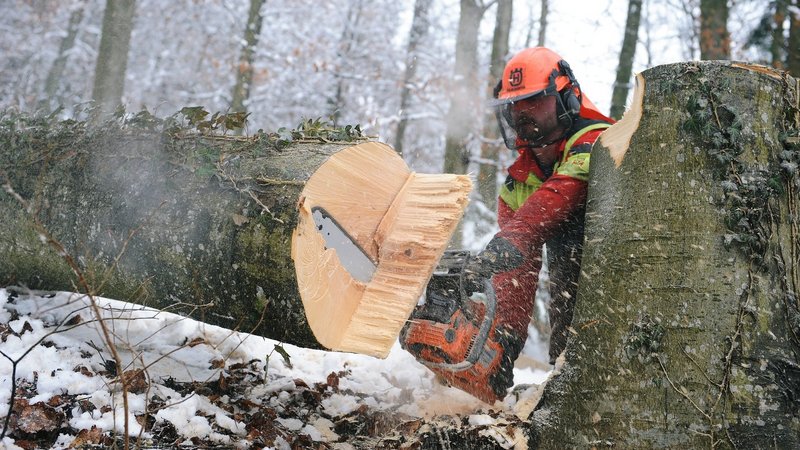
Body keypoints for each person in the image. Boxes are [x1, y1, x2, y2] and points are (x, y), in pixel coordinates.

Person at [400, 47, 615, 403]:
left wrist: (512, 240)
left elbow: (561, 194)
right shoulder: (520, 180)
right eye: (515, 105)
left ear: (565, 98)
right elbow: (517, 273)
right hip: (570, 294)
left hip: (617, 287)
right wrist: (505, 341)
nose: (522, 113)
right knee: (567, 361)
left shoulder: (597, 141)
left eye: (533, 102)